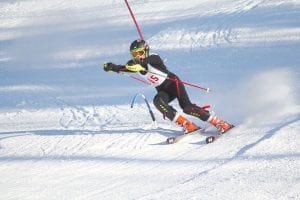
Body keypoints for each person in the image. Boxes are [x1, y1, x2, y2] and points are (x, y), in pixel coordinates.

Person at [103, 39, 233, 134]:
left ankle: (219, 122)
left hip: (174, 84)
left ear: (146, 50)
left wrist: (140, 64)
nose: (138, 57)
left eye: (140, 53)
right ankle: (187, 125)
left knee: (187, 108)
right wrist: (111, 67)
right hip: (163, 90)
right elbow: (123, 68)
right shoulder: (136, 64)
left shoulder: (154, 58)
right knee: (158, 101)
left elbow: (148, 61)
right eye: (135, 54)